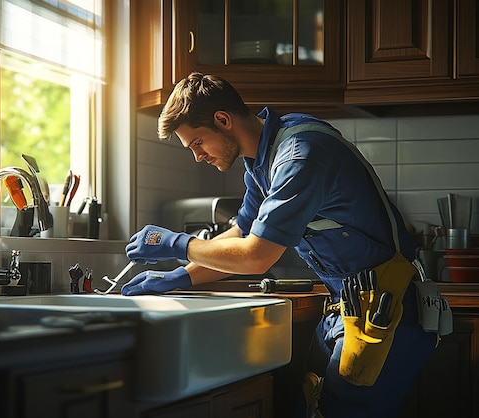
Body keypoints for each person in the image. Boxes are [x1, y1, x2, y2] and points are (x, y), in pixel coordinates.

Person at [122, 72, 441, 417]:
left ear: (223, 120)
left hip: (386, 313)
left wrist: (177, 243)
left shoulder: (299, 155)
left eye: (197, 142)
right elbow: (241, 235)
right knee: (310, 406)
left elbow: (256, 256)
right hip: (348, 307)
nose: (197, 156)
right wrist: (181, 276)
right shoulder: (262, 161)